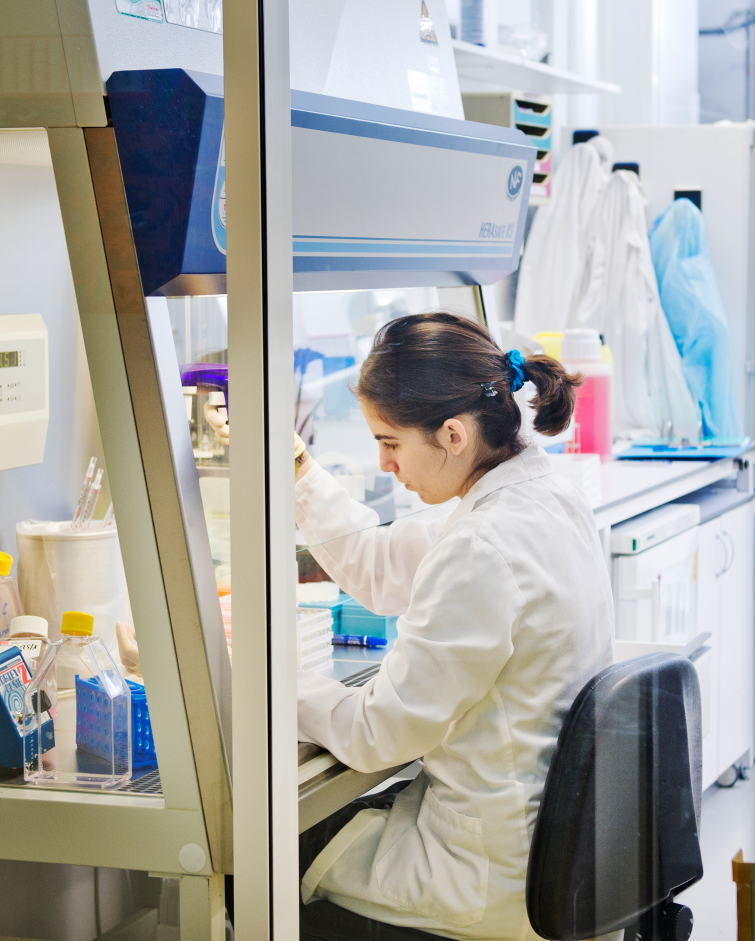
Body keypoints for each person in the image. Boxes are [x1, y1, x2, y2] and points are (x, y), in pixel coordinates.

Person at [213, 311, 616, 940]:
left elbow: (377, 735)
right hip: (550, 849)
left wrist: (260, 679)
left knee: (246, 862)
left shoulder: (483, 544)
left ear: (453, 435)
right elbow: (378, 567)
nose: (383, 464)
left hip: (485, 875)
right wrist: (295, 463)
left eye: (391, 443)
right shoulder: (541, 497)